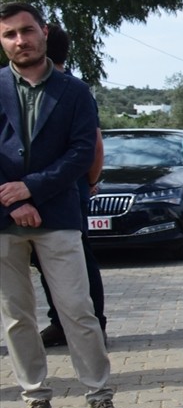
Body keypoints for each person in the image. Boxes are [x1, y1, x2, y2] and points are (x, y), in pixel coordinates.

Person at [0, 2, 125, 408]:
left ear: (44, 32)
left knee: (77, 310)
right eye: (10, 34)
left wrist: (32, 188)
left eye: (27, 31)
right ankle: (36, 400)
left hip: (57, 216)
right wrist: (15, 202)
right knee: (16, 317)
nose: (20, 41)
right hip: (3, 220)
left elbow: (80, 154)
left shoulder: (74, 92)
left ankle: (100, 398)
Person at [37, 23, 107, 346]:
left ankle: (94, 325)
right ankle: (60, 322)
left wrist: (90, 181)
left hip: (68, 189)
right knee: (43, 258)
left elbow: (94, 145)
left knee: (79, 257)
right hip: (41, 190)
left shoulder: (72, 91)